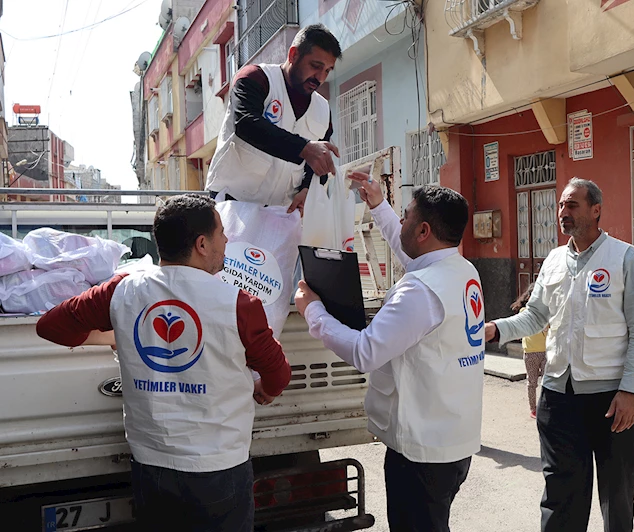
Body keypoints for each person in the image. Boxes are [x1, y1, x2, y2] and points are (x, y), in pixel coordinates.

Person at [36, 194, 292, 532]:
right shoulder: (238, 303)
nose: (227, 240)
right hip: (218, 468)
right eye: (221, 234)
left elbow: (51, 326)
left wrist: (115, 332)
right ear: (202, 244)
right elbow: (278, 373)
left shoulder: (121, 291)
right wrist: (264, 390)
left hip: (151, 466)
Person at [294, 175, 485, 532]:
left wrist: (313, 312)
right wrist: (379, 206)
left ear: (424, 229)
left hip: (421, 453)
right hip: (453, 441)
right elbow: (410, 252)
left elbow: (366, 352)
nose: (401, 223)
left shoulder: (419, 290)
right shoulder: (460, 270)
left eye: (406, 217)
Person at [485, 177, 634, 532]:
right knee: (561, 497)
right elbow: (535, 316)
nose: (563, 212)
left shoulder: (626, 257)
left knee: (617, 496)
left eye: (572, 205)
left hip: (611, 401)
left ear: (596, 210)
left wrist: (630, 390)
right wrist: (497, 329)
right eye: (562, 205)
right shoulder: (554, 260)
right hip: (559, 398)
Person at [205, 24, 342, 214]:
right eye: (315, 66)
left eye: (328, 70)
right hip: (232, 207)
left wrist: (306, 188)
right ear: (293, 55)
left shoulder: (322, 109)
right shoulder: (256, 78)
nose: (320, 77)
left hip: (281, 214)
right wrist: (304, 148)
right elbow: (245, 123)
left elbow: (318, 160)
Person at [511, 285, 547, 419]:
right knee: (532, 382)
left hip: (546, 352)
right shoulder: (524, 312)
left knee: (546, 381)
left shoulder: (546, 313)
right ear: (529, 297)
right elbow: (520, 327)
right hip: (530, 352)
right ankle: (533, 408)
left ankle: (544, 407)